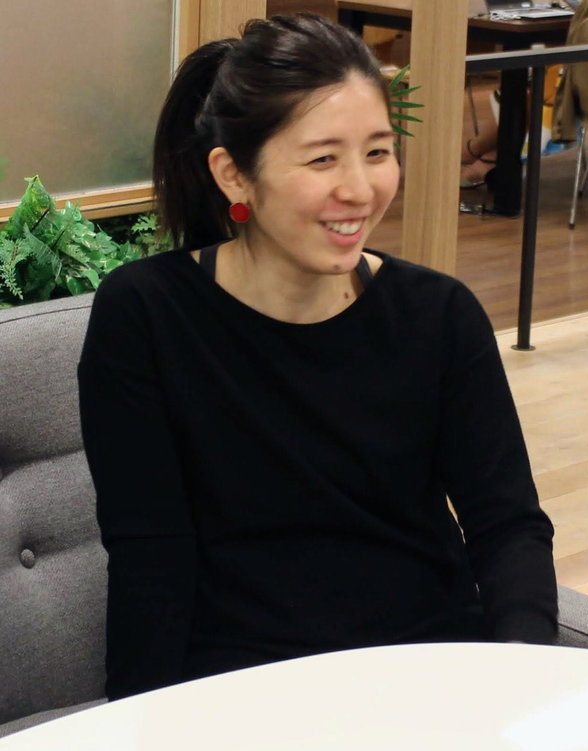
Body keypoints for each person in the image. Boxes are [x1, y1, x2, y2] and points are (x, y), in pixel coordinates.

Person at [78, 14, 558, 701]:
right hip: (244, 696)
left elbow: (506, 525)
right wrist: (137, 732)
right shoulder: (147, 316)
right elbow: (149, 555)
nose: (360, 189)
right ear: (234, 175)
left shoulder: (439, 315)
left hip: (431, 678)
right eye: (323, 159)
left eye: (377, 152)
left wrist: (523, 678)